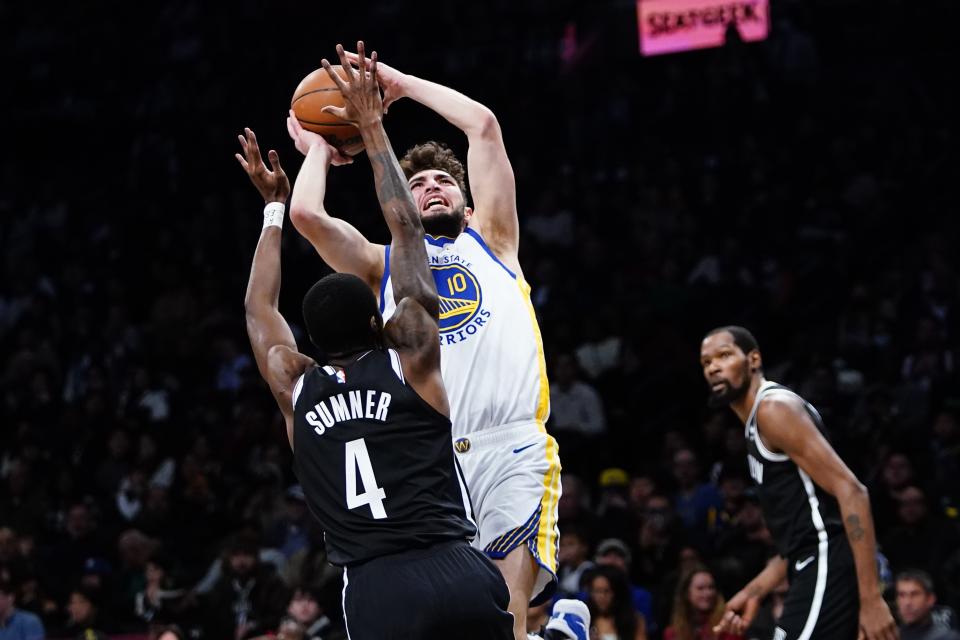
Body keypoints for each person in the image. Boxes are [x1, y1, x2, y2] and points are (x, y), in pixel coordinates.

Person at [238, 43, 513, 639]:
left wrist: (273, 210)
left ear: (307, 340)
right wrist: (371, 127)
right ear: (380, 323)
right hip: (454, 564)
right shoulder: (411, 354)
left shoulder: (294, 383)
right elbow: (405, 227)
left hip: (376, 584)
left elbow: (259, 309)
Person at [286, 42, 562, 636]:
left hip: (511, 444)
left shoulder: (494, 240)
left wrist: (400, 82)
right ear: (400, 202)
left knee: (507, 618)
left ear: (466, 203)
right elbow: (306, 215)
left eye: (444, 180)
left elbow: (483, 126)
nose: (432, 187)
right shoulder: (383, 264)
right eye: (417, 183)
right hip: (429, 458)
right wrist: (317, 149)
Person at [700, 326, 897, 639]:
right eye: (706, 362)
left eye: (724, 355)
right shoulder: (756, 423)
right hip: (812, 564)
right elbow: (801, 537)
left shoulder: (773, 409)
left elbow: (853, 492)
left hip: (827, 563)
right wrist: (754, 591)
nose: (713, 367)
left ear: (753, 359)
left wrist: (872, 600)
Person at [664, 565, 740, 640]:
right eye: (700, 588)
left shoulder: (727, 624)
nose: (708, 593)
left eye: (711, 587)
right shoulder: (673, 632)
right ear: (687, 593)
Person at [583, 565, 647, 640]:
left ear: (618, 592)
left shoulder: (635, 620)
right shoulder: (584, 619)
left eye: (607, 591)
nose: (601, 596)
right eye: (597, 591)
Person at [895, 570, 960, 640]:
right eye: (902, 595)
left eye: (914, 594)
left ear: (930, 599)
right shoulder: (891, 636)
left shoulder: (947, 637)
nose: (907, 602)